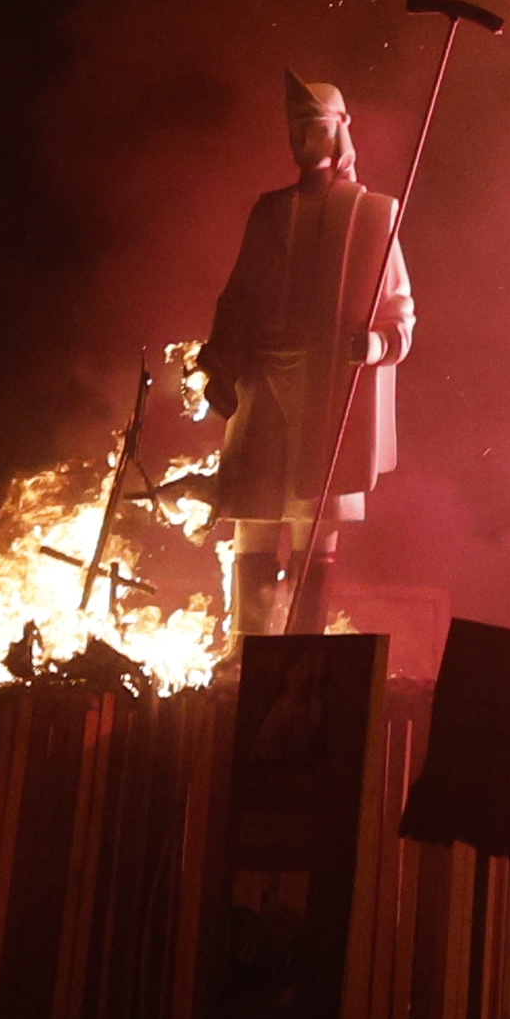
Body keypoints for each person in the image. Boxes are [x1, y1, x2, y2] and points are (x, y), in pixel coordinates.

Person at [190, 82, 412, 636]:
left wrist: (379, 344)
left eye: (311, 125)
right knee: (254, 515)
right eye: (294, 127)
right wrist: (218, 361)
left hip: (324, 388)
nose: (300, 138)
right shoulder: (268, 212)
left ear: (339, 128)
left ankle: (304, 651)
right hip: (261, 379)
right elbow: (237, 297)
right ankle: (248, 649)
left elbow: (399, 308)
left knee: (314, 519)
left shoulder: (372, 214)